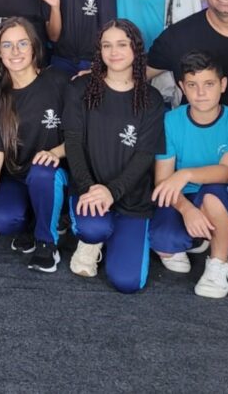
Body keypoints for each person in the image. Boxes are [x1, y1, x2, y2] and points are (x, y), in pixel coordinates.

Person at [64, 20, 165, 293]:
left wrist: (112, 192)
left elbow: (145, 155)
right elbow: (72, 143)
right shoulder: (80, 89)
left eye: (122, 44)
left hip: (132, 197)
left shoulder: (152, 99)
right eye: (107, 45)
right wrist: (90, 189)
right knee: (94, 228)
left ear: (136, 49)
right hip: (89, 190)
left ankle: (114, 233)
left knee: (127, 282)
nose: (114, 51)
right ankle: (92, 240)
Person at [150, 50, 228, 298]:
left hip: (217, 192)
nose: (201, 93)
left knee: (213, 198)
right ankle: (197, 235)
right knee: (163, 241)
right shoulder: (171, 120)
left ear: (223, 85)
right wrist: (186, 209)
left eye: (209, 84)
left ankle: (219, 263)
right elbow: (162, 181)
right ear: (182, 87)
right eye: (192, 85)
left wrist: (186, 174)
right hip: (182, 196)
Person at [0, 19, 64, 271]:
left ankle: (46, 242)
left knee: (42, 172)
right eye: (7, 45)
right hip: (18, 176)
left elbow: (79, 134)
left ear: (34, 47)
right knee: (4, 220)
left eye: (22, 43)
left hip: (54, 172)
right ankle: (33, 220)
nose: (15, 51)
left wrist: (55, 152)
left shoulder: (58, 81)